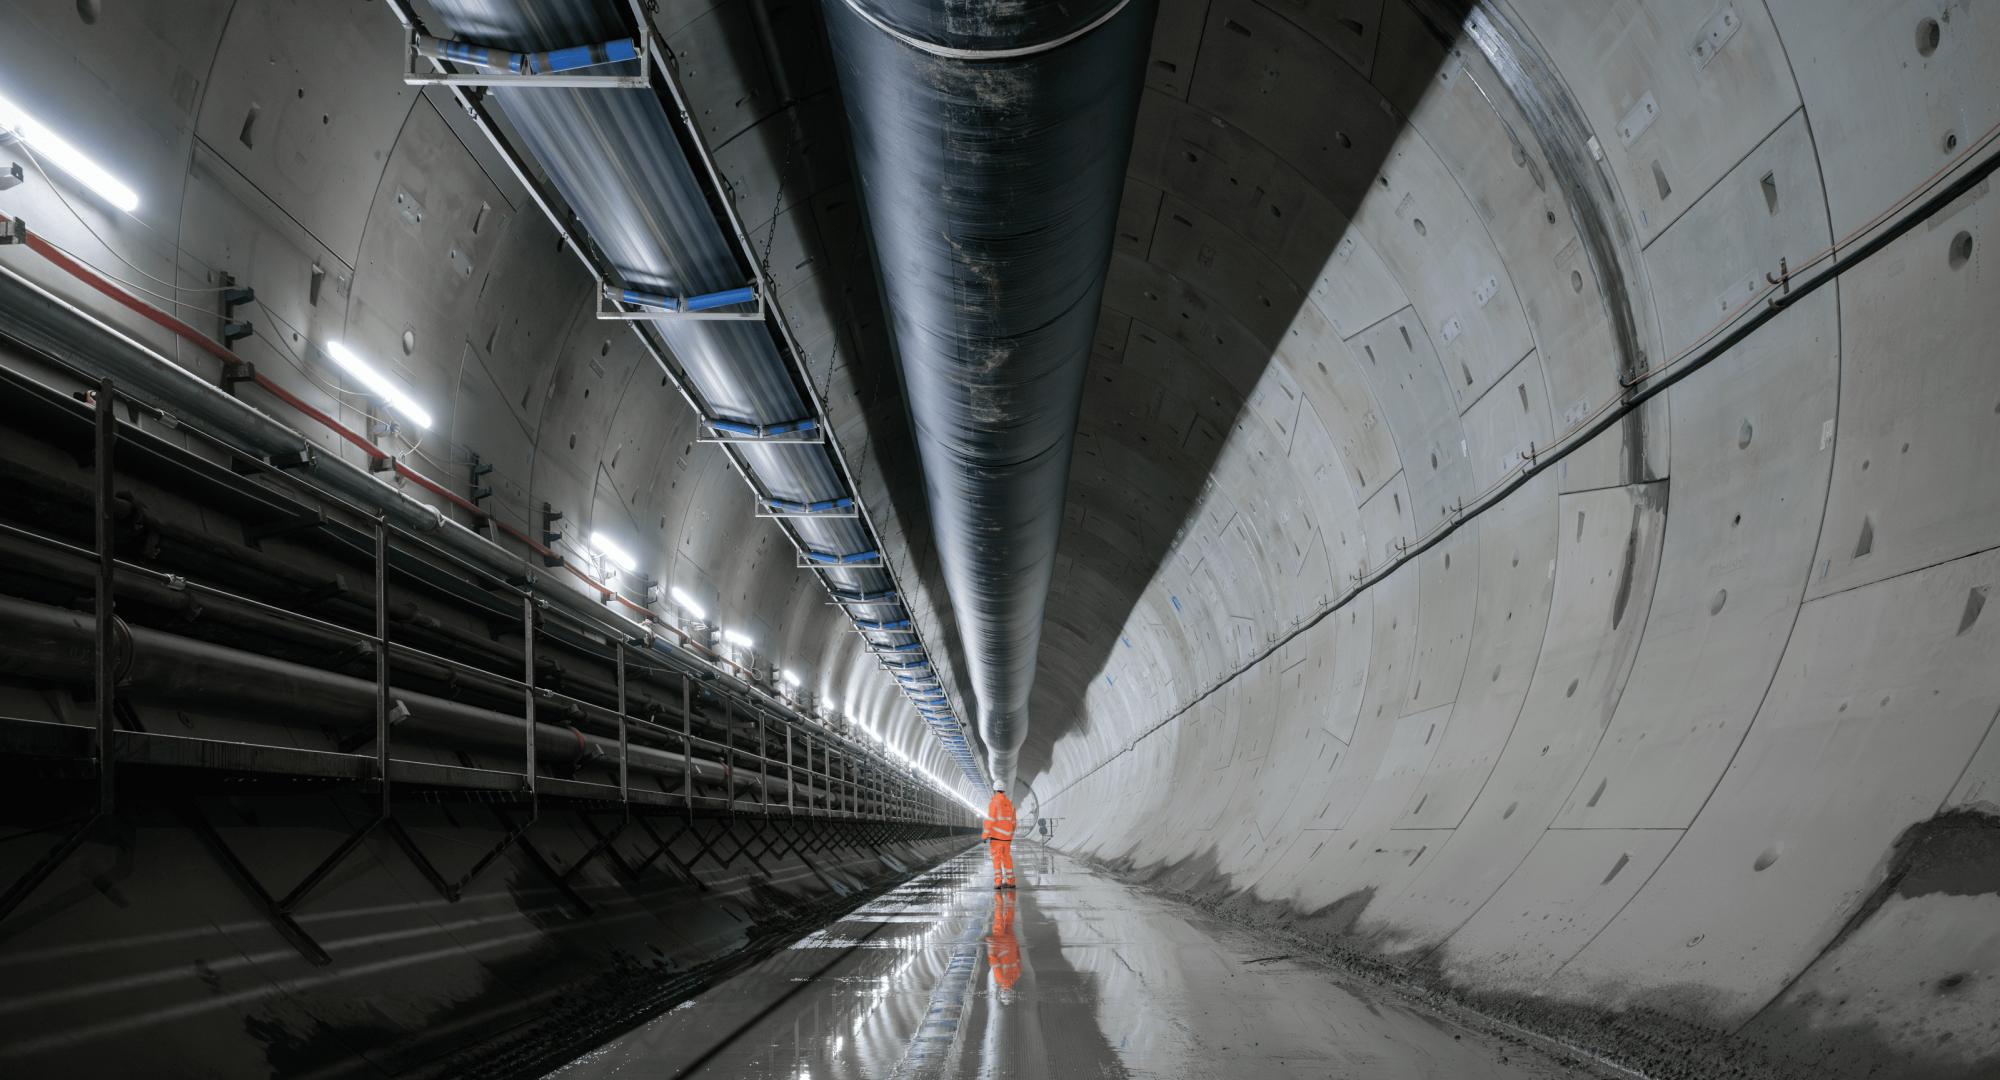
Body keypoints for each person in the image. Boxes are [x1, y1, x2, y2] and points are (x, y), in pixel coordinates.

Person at [983, 783, 1016, 889]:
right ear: (1004, 790)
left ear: (994, 790)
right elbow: (1014, 822)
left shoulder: (994, 803)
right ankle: (1011, 882)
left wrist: (985, 834)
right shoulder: (1010, 804)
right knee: (1007, 859)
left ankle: (998, 882)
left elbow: (990, 820)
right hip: (1007, 839)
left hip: (996, 838)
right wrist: (1010, 833)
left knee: (996, 860)